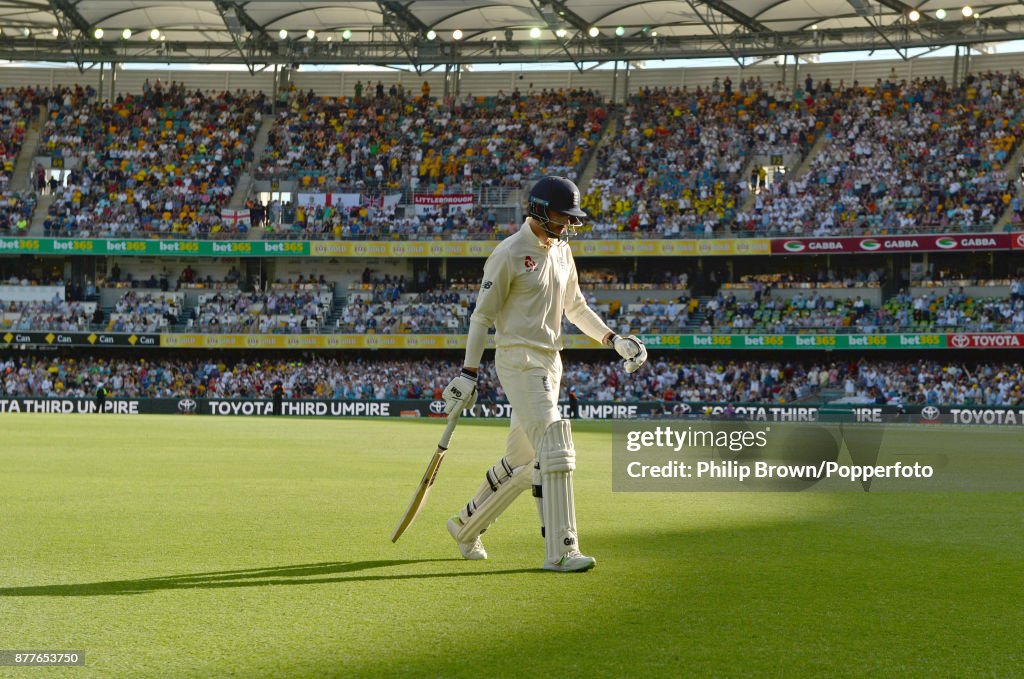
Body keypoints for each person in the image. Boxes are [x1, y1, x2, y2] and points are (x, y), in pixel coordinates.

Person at [441, 176, 648, 573]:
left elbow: (577, 307)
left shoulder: (561, 252)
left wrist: (612, 339)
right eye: (561, 216)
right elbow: (482, 316)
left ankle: (466, 524)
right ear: (538, 209)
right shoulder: (510, 252)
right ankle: (562, 549)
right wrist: (468, 372)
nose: (568, 224)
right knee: (555, 446)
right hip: (518, 359)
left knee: (522, 459)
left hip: (551, 361)